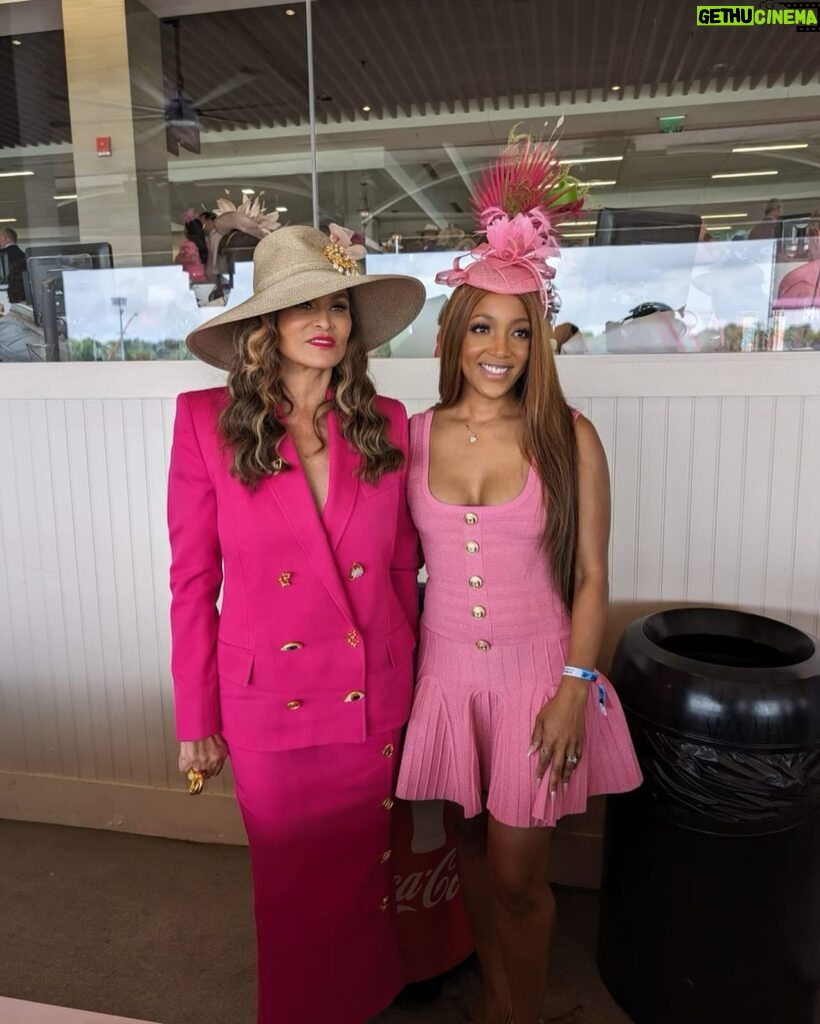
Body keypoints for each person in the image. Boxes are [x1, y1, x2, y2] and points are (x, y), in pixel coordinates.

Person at [395, 133, 642, 1024]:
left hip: (540, 677)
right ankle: (496, 998)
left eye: (520, 330)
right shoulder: (412, 437)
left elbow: (591, 573)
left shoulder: (569, 437)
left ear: (541, 340)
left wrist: (576, 687)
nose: (499, 349)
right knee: (462, 843)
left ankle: (520, 1014)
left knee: (516, 873)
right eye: (483, 327)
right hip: (448, 676)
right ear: (456, 333)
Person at [167, 224, 425, 1024]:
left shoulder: (387, 420)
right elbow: (191, 582)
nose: (328, 322)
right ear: (264, 326)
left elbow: (398, 573)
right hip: (268, 708)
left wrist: (413, 690)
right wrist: (195, 717)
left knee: (362, 887)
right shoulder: (206, 421)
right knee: (290, 896)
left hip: (368, 700)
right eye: (303, 305)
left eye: (340, 305)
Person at [174, 209, 208, 283]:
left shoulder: (187, 245)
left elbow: (180, 261)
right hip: (201, 275)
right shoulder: (204, 242)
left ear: (187, 231)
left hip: (189, 276)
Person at [0, 227, 27, 303]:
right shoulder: (24, 256)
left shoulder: (2, 255)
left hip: (4, 296)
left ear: (4, 238)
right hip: (23, 296)